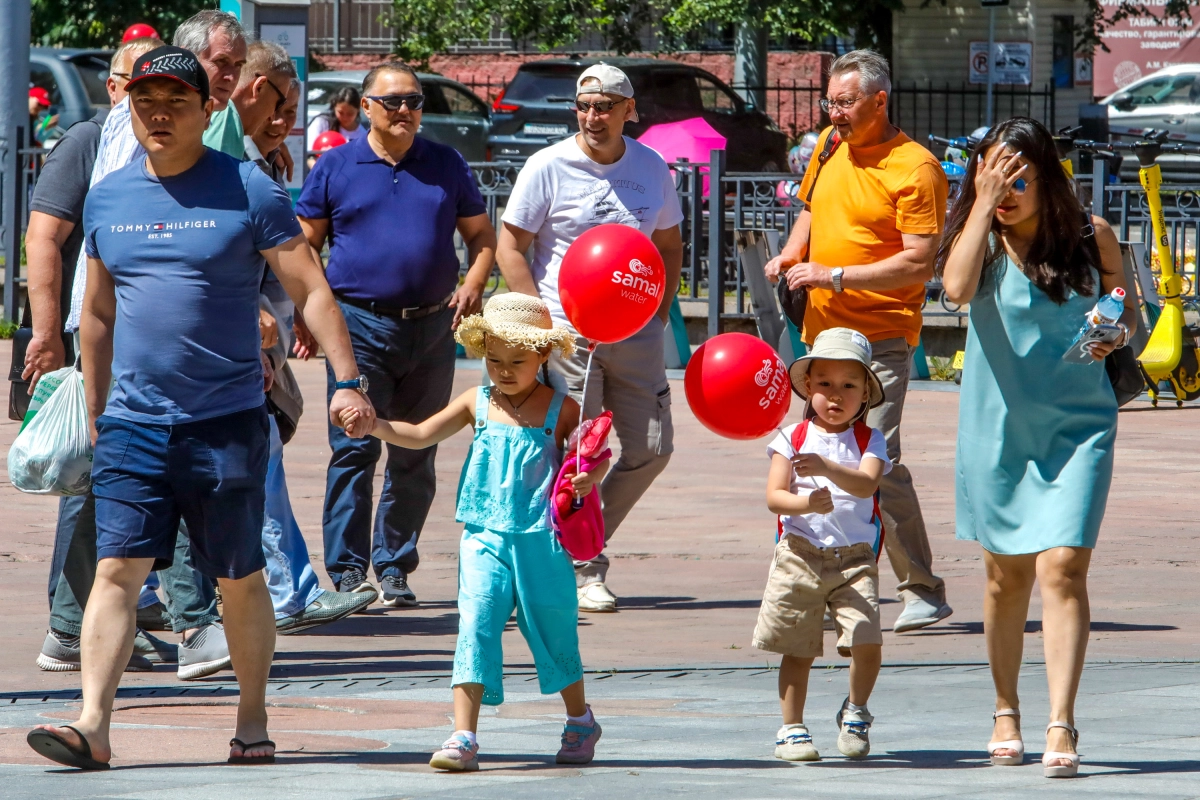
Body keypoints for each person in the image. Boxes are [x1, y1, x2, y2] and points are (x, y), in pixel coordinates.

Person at [24, 46, 374, 770]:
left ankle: (251, 718)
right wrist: (97, 406)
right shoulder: (109, 195)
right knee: (119, 569)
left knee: (239, 577)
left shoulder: (248, 187)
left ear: (206, 109)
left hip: (226, 424)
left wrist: (347, 379)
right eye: (145, 100)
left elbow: (310, 288)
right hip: (131, 425)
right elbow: (97, 312)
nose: (158, 112)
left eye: (175, 101)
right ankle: (93, 722)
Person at [24, 35, 234, 680]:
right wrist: (48, 333)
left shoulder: (199, 153)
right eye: (127, 81)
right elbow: (44, 236)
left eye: (171, 92)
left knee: (116, 486)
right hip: (104, 340)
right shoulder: (91, 145)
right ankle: (190, 623)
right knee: (121, 479)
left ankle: (72, 627)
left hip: (170, 348)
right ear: (116, 87)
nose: (140, 97)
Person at [936, 118, 1131, 779]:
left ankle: (1061, 718)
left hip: (1080, 427)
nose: (1006, 190)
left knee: (1064, 568)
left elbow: (1127, 305)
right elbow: (955, 291)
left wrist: (1112, 329)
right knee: (1004, 578)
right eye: (991, 176)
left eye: (1017, 178)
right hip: (999, 432)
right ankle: (1004, 708)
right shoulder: (982, 243)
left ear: (1048, 178)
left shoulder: (1089, 236)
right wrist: (981, 206)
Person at [340, 293, 607, 772]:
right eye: (494, 359)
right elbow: (420, 434)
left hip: (541, 540)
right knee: (475, 626)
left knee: (554, 629)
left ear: (543, 355)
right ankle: (463, 735)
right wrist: (375, 424)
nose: (504, 370)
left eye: (517, 361)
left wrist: (588, 478)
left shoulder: (562, 410)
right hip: (483, 536)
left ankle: (580, 720)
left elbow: (592, 459)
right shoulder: (475, 401)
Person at [764, 49, 953, 633]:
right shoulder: (828, 145)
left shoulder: (916, 168)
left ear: (879, 100)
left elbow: (920, 263)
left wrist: (834, 274)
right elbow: (812, 211)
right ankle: (822, 582)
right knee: (813, 459)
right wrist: (795, 252)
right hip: (822, 335)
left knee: (878, 458)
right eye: (830, 102)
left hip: (881, 336)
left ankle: (921, 588)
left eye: (845, 102)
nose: (834, 113)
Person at [296, 61, 497, 608]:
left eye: (414, 101)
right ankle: (347, 572)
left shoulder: (445, 163)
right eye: (393, 102)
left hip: (432, 326)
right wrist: (306, 314)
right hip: (357, 326)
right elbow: (303, 246)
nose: (405, 110)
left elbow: (481, 236)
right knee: (354, 446)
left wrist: (475, 282)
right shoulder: (336, 166)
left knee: (417, 450)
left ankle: (394, 566)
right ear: (366, 107)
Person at [495, 63, 684, 613]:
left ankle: (575, 540)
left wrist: (661, 309)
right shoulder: (547, 165)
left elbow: (669, 245)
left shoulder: (651, 168)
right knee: (580, 455)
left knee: (651, 448)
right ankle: (584, 568)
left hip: (636, 331)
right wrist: (541, 320)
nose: (592, 117)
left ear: (630, 111)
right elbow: (511, 247)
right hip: (568, 332)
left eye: (604, 107)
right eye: (583, 107)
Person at [249, 80, 378, 631]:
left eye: (294, 113)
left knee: (260, 459)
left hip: (255, 349)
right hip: (226, 354)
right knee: (257, 460)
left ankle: (277, 594)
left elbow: (301, 279)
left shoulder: (262, 165)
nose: (286, 122)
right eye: (280, 108)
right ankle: (282, 596)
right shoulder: (237, 167)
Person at [756, 328, 889, 762]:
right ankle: (791, 728)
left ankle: (856, 711)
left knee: (867, 640)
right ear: (808, 387)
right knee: (798, 647)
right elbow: (775, 496)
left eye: (849, 385)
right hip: (800, 555)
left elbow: (867, 483)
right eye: (825, 384)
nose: (836, 395)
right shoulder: (791, 437)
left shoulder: (871, 441)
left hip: (855, 560)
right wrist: (805, 501)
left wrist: (829, 469)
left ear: (866, 392)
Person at [173, 10, 248, 157]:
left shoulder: (226, 112)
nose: (231, 77)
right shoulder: (141, 111)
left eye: (238, 65)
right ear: (185, 58)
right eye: (221, 61)